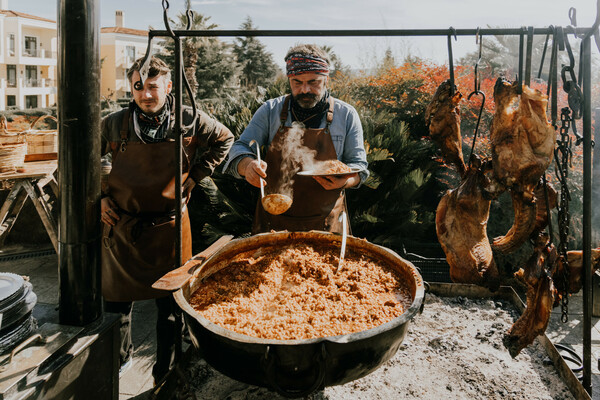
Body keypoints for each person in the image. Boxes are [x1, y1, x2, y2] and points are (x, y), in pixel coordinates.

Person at [100, 56, 233, 384]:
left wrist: (197, 174)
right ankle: (119, 362)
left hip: (171, 230)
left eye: (152, 87)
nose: (145, 94)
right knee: (116, 306)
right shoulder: (113, 124)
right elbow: (86, 158)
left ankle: (167, 374)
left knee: (171, 310)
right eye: (138, 87)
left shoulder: (190, 120)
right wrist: (98, 197)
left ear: (169, 87)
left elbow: (225, 139)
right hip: (122, 228)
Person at [223, 44, 368, 234]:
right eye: (297, 82)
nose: (305, 89)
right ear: (289, 79)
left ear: (326, 79)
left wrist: (345, 181)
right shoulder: (270, 111)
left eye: (313, 82)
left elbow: (360, 168)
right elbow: (239, 147)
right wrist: (247, 165)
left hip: (327, 224)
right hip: (273, 224)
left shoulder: (346, 115)